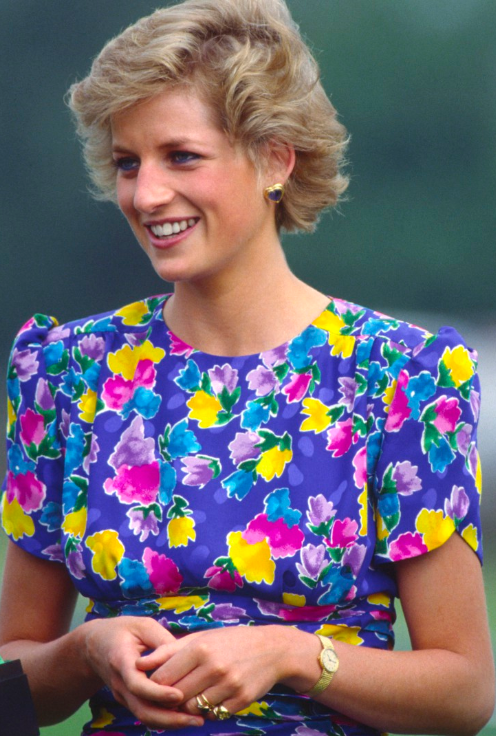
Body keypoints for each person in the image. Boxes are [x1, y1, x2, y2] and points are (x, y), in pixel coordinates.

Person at [0, 0, 494, 734]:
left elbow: (464, 693)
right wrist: (83, 652)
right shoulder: (67, 373)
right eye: (128, 163)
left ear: (273, 158)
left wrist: (293, 656)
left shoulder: (401, 377)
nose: (145, 194)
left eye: (182, 156)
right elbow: (15, 681)